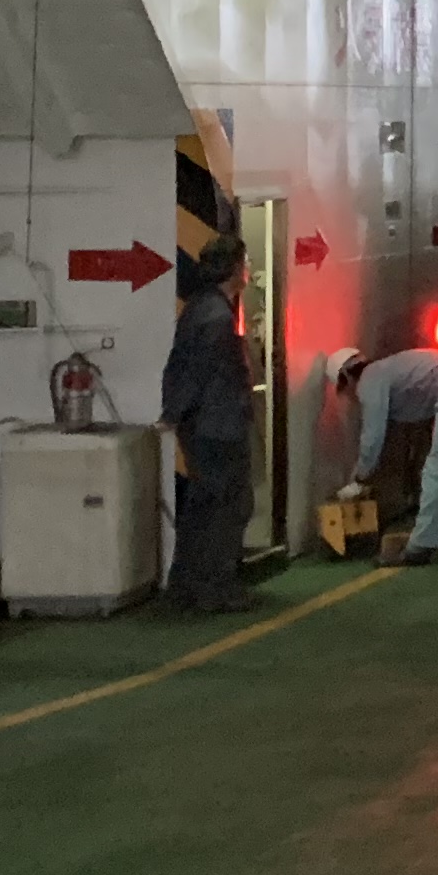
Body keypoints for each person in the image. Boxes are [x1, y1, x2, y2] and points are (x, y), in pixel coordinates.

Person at [327, 338, 438, 565]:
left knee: (437, 469)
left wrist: (359, 478)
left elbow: (373, 434)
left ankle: (421, 545)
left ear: (346, 377)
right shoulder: (390, 368)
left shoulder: (371, 378)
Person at [159, 234, 256, 611]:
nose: (248, 269)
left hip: (202, 425)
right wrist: (175, 413)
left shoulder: (199, 307)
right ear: (234, 269)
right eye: (245, 262)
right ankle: (216, 587)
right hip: (218, 426)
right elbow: (200, 371)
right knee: (228, 506)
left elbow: (181, 367)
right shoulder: (217, 317)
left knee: (203, 506)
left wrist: (174, 413)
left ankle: (186, 584)